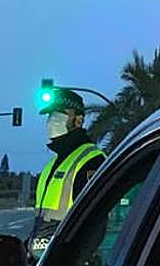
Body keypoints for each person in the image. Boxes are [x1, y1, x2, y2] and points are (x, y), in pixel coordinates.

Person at [31, 88, 107, 255]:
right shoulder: (52, 165)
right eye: (49, 117)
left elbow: (94, 224)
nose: (51, 122)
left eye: (58, 116)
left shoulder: (91, 160)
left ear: (78, 121)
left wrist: (69, 265)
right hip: (44, 262)